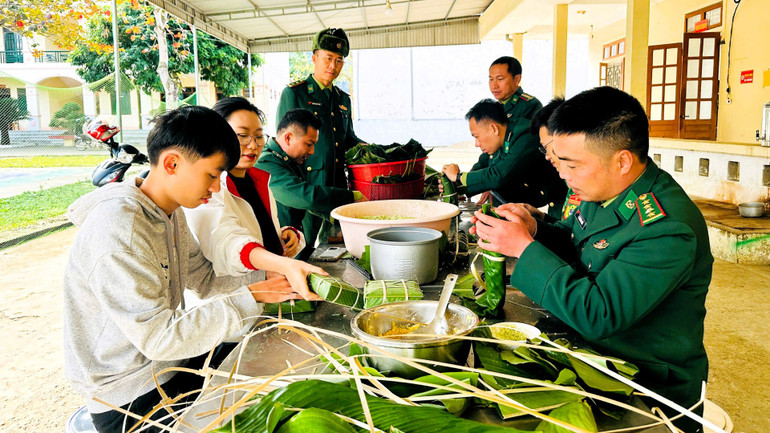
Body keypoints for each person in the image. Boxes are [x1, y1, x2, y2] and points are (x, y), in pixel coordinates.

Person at [62, 106, 322, 432]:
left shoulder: (169, 212)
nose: (216, 188)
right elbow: (159, 338)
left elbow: (204, 278)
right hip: (127, 398)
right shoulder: (121, 231)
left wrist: (271, 281)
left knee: (279, 378)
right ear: (172, 163)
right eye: (212, 175)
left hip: (168, 369)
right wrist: (252, 295)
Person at [472, 87, 712, 432]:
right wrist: (535, 228)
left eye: (571, 165)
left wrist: (524, 249)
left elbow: (600, 313)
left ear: (622, 160)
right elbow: (578, 239)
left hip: (646, 387)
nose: (562, 175)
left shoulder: (667, 229)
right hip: (593, 359)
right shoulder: (603, 188)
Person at [184, 97, 309, 282]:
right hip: (238, 298)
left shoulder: (259, 179)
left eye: (258, 136)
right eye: (242, 136)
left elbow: (261, 231)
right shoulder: (210, 188)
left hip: (272, 288)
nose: (253, 145)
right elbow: (227, 243)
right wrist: (282, 265)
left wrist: (288, 235)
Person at [275, 27, 367, 246]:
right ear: (314, 58)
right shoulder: (295, 93)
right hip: (307, 188)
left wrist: (372, 151)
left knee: (336, 248)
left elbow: (349, 139)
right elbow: (284, 145)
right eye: (328, 58)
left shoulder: (342, 98)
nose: (333, 66)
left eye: (339, 60)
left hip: (336, 187)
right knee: (301, 248)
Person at [257, 108, 366, 257]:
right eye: (309, 144)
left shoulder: (287, 160)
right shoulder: (266, 164)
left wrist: (342, 218)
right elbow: (306, 196)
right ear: (288, 138)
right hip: (278, 250)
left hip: (293, 242)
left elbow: (309, 203)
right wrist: (351, 197)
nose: (313, 151)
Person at [441, 99, 564, 209]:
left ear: (493, 129)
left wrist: (458, 177)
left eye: (477, 137)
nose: (476, 144)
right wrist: (454, 186)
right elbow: (483, 165)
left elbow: (500, 175)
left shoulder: (524, 134)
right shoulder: (501, 138)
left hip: (562, 197)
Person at [519, 96, 576, 222]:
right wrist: (539, 217)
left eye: (546, 147)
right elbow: (570, 231)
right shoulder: (570, 177)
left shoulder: (584, 181)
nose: (547, 156)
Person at [488, 56, 542, 122]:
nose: (494, 86)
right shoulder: (493, 107)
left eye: (500, 79)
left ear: (517, 79)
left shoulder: (530, 105)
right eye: (491, 79)